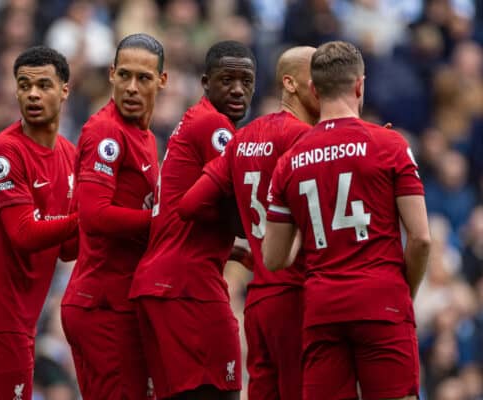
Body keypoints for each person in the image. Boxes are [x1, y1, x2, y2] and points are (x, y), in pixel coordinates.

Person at [263, 40, 431, 400]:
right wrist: (406, 292)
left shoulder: (289, 161)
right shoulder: (390, 145)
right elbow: (421, 239)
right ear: (359, 85)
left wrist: (309, 225)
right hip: (382, 301)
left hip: (323, 308)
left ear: (313, 89)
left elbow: (274, 259)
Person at [177, 46, 319, 400]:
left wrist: (247, 237)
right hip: (296, 294)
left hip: (259, 302)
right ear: (290, 83)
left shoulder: (242, 138)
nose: (326, 88)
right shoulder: (305, 140)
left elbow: (190, 203)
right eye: (317, 80)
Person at [130, 40, 256, 400]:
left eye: (245, 81)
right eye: (226, 79)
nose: (237, 89)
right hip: (186, 287)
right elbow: (237, 215)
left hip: (162, 284)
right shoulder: (216, 128)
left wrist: (228, 251)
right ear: (205, 82)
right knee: (224, 391)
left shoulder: (194, 121)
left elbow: (188, 213)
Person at [0, 46, 78, 400]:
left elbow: (68, 249)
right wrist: (89, 218)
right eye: (24, 85)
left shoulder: (71, 156)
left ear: (65, 90)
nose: (33, 93)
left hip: (20, 317)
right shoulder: (4, 152)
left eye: (43, 84)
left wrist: (108, 225)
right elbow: (23, 234)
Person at [60, 33, 167, 400]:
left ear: (162, 81)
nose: (132, 87)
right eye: (125, 75)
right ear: (111, 74)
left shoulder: (146, 137)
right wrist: (164, 224)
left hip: (120, 301)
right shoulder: (106, 130)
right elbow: (95, 215)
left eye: (144, 78)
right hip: (101, 305)